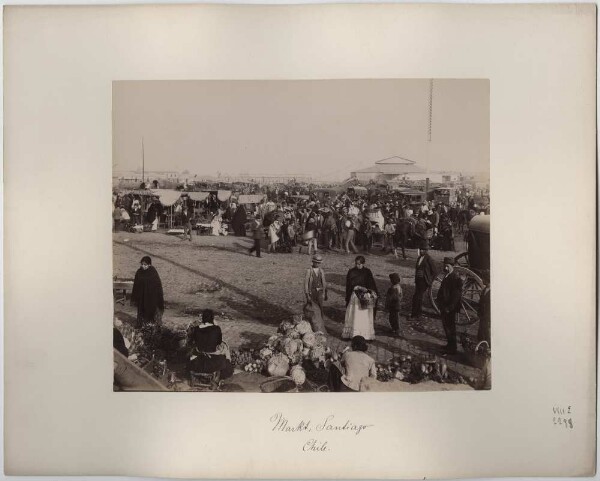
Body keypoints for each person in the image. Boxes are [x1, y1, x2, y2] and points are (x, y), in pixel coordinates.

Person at [186, 309, 233, 380]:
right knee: (225, 350)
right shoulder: (217, 329)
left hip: (198, 364)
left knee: (191, 356)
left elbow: (192, 342)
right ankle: (218, 376)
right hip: (213, 364)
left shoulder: (196, 329)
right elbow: (219, 342)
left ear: (202, 318)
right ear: (212, 318)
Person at [342, 256, 378, 340]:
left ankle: (365, 335)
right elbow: (349, 285)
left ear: (363, 263)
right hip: (355, 297)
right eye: (356, 264)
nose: (357, 265)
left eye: (359, 264)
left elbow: (371, 283)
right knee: (355, 315)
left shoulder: (367, 272)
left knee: (363, 317)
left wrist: (369, 290)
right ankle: (353, 334)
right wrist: (356, 287)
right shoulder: (351, 272)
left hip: (364, 298)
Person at [435, 257, 463, 354]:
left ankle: (452, 348)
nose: (445, 268)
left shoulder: (455, 278)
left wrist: (449, 307)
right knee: (446, 327)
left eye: (447, 266)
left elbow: (456, 296)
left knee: (450, 327)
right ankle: (449, 344)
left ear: (452, 267)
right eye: (445, 266)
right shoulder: (447, 276)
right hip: (444, 306)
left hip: (449, 308)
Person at [131, 256, 164, 327]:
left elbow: (157, 286)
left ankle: (151, 325)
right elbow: (136, 285)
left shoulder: (153, 272)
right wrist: (136, 296)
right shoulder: (139, 272)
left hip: (151, 297)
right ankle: (142, 325)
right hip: (142, 297)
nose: (143, 266)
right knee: (142, 312)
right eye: (142, 264)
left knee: (151, 312)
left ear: (149, 265)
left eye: (145, 265)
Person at [409, 242, 437, 320]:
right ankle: (417, 314)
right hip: (418, 280)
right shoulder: (419, 258)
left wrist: (430, 281)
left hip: (424, 281)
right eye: (420, 249)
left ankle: (415, 315)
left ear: (426, 250)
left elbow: (435, 272)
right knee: (417, 297)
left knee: (417, 297)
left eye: (423, 250)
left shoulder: (429, 259)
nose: (421, 251)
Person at [304, 254, 328, 334]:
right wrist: (307, 294)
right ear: (313, 262)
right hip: (312, 292)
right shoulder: (309, 271)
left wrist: (325, 292)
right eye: (316, 262)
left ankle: (321, 327)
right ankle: (312, 327)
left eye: (318, 263)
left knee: (320, 309)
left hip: (320, 292)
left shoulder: (321, 271)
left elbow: (324, 282)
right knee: (312, 310)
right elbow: (306, 284)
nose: (317, 264)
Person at [477, 270, 491, 347]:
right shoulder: (484, 290)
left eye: (483, 279)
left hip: (488, 318)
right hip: (482, 317)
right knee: (481, 333)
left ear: (487, 279)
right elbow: (481, 303)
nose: (482, 280)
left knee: (487, 334)